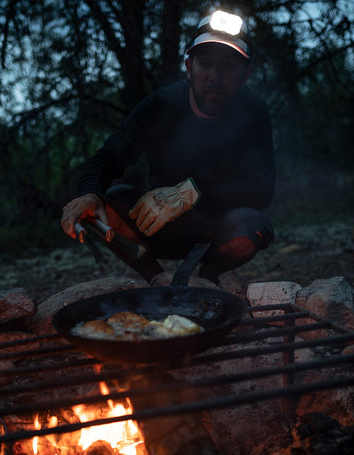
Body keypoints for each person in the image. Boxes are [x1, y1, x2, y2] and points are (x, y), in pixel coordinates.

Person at [61, 9, 275, 286]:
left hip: (218, 227)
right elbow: (109, 157)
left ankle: (206, 279)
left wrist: (192, 193)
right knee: (111, 203)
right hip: (158, 225)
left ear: (246, 73)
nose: (215, 76)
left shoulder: (253, 110)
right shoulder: (161, 105)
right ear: (189, 67)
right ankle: (157, 279)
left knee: (253, 226)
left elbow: (263, 187)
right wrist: (89, 193)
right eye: (205, 63)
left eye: (229, 66)